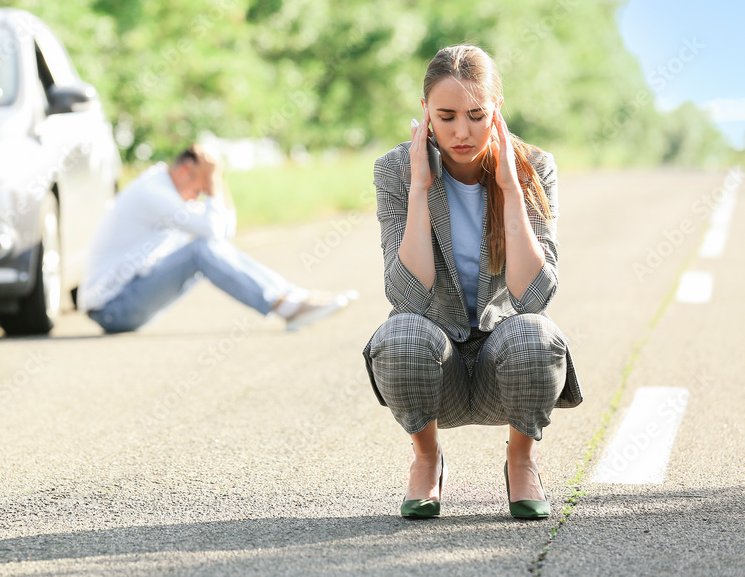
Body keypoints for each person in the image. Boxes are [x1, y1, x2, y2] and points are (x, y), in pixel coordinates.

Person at [362, 45, 582, 520]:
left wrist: (508, 189)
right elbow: (406, 296)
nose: (462, 132)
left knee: (538, 337)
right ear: (424, 113)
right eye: (446, 117)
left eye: (477, 115)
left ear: (497, 110)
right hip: (434, 364)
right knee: (398, 335)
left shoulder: (533, 168)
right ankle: (426, 458)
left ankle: (521, 460)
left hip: (501, 366)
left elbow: (535, 297)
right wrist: (420, 187)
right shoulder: (394, 171)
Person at [81, 144, 356, 333]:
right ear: (183, 172)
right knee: (199, 251)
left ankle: (290, 298)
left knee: (207, 248)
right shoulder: (152, 193)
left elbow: (224, 232)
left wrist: (218, 178)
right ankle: (288, 305)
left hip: (127, 301)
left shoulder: (167, 188)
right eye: (199, 188)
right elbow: (212, 232)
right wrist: (212, 181)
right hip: (113, 308)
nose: (200, 196)